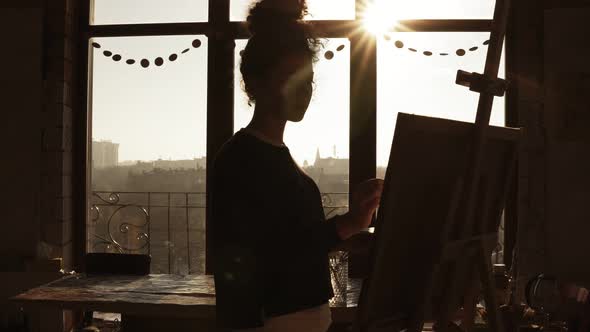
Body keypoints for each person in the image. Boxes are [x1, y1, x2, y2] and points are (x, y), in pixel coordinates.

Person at [211, 0, 384, 331]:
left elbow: (290, 245)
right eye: (292, 77)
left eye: (308, 79)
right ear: (256, 84)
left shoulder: (268, 155)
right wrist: (347, 223)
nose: (304, 90)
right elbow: (273, 255)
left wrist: (350, 230)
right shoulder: (241, 160)